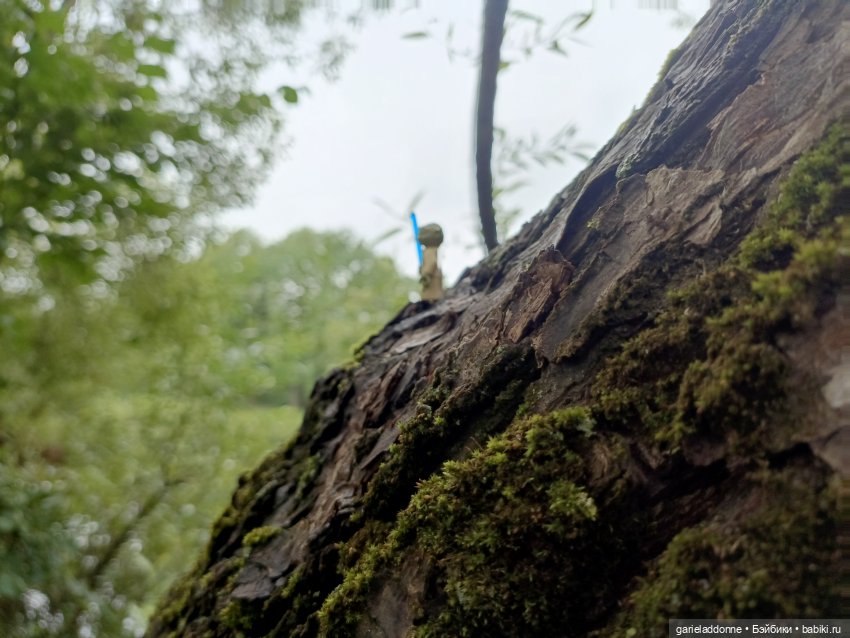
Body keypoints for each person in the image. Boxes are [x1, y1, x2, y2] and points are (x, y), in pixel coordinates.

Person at [417, 223, 444, 302]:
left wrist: (426, 273)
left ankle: (431, 301)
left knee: (432, 293)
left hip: (431, 277)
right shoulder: (432, 250)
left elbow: (432, 263)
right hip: (433, 275)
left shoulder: (429, 251)